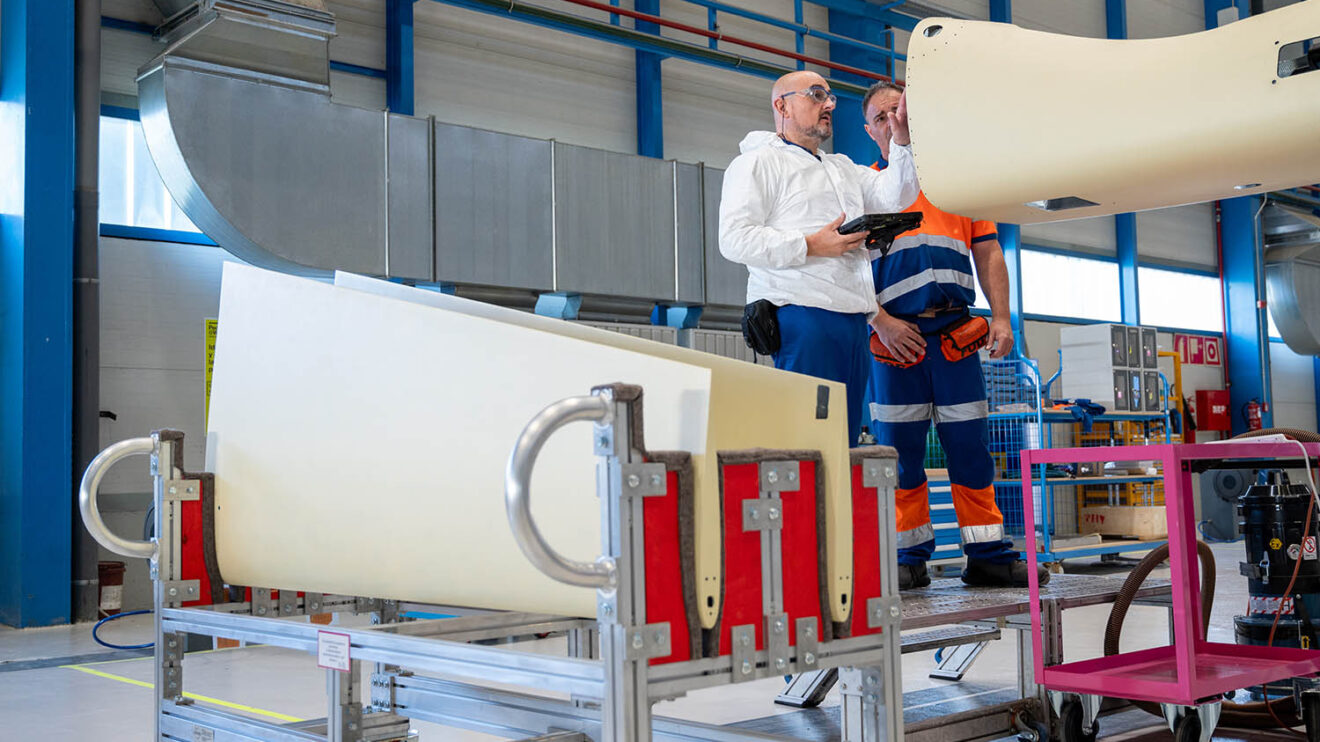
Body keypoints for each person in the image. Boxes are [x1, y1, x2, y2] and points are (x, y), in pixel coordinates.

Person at [859, 80, 1048, 589]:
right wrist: (880, 319)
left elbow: (988, 252)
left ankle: (987, 552)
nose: (893, 120)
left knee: (970, 445)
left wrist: (1004, 318)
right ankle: (907, 556)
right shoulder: (865, 190)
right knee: (898, 451)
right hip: (894, 343)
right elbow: (847, 269)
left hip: (955, 336)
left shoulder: (957, 186)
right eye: (882, 116)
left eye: (901, 110)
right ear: (870, 129)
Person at [719, 71, 920, 446]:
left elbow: (896, 196)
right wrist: (811, 244)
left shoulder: (841, 168)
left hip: (851, 319)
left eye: (829, 96)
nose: (828, 104)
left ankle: (833, 506)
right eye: (815, 95)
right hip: (802, 314)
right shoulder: (756, 164)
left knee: (841, 441)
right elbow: (734, 239)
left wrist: (903, 142)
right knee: (809, 440)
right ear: (782, 106)